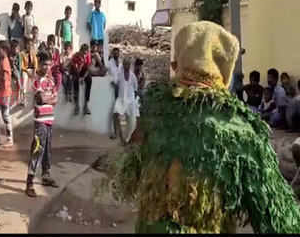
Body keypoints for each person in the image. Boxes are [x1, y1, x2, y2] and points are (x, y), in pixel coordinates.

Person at [104, 21, 300, 234]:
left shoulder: (155, 116)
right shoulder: (243, 133)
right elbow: (278, 222)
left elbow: (128, 176)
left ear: (178, 65)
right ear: (225, 71)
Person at [26, 51, 59, 197]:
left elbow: (55, 100)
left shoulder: (50, 81)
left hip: (49, 119)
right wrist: (49, 98)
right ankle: (30, 183)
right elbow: (40, 99)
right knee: (37, 150)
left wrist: (48, 98)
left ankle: (45, 176)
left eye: (49, 64)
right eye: (45, 64)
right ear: (40, 64)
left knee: (47, 151)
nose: (47, 67)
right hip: (40, 121)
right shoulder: (37, 80)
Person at [113, 57, 139, 145]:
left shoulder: (133, 76)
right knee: (116, 115)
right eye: (124, 64)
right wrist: (116, 97)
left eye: (128, 64)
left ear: (130, 65)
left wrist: (134, 102)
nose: (126, 65)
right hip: (121, 99)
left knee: (132, 122)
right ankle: (120, 136)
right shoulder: (119, 74)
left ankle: (127, 139)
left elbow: (136, 89)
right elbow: (116, 85)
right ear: (123, 65)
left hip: (131, 101)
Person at [0, 41, 14, 147]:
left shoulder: (4, 61)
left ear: (4, 50)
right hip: (2, 92)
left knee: (5, 115)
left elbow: (5, 79)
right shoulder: (2, 61)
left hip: (4, 93)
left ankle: (9, 139)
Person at [70, 43, 92, 115]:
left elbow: (88, 69)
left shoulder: (88, 56)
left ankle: (86, 105)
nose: (85, 54)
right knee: (75, 81)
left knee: (89, 79)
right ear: (81, 51)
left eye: (86, 53)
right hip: (75, 70)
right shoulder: (75, 56)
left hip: (83, 71)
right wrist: (81, 62)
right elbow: (76, 70)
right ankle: (77, 105)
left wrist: (83, 77)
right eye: (84, 53)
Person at [20, 37, 38, 106]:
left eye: (31, 45)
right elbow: (22, 66)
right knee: (24, 78)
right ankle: (23, 98)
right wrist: (28, 72)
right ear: (26, 45)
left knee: (36, 79)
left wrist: (34, 71)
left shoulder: (33, 53)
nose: (29, 46)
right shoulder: (22, 53)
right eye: (28, 44)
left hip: (32, 70)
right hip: (25, 70)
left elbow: (35, 64)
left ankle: (36, 98)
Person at [10, 40, 23, 105]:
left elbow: (19, 66)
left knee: (18, 77)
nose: (16, 50)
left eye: (17, 48)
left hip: (16, 72)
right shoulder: (9, 56)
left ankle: (20, 97)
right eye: (15, 48)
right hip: (11, 71)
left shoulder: (18, 56)